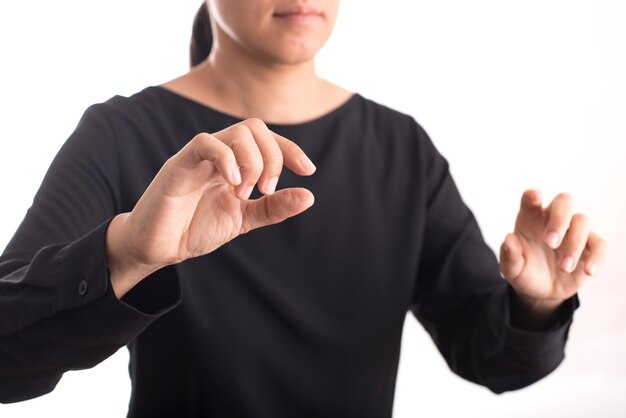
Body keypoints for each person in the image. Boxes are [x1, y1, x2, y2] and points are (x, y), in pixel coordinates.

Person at [0, 1, 606, 417]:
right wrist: (126, 253)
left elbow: (492, 353)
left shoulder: (401, 149)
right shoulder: (120, 135)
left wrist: (537, 302)